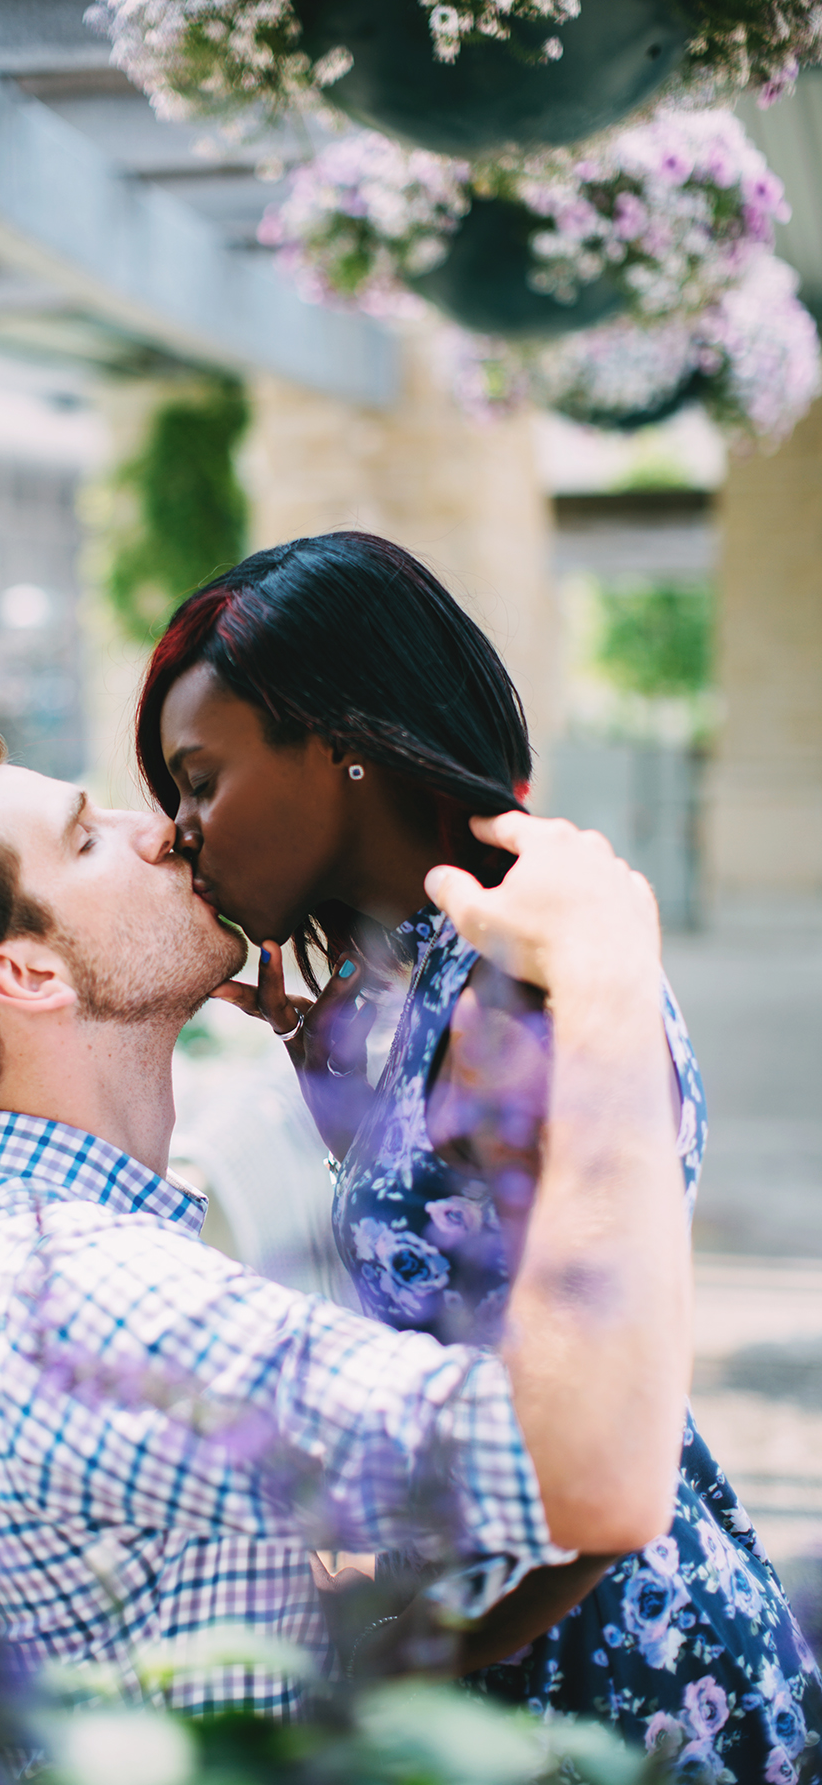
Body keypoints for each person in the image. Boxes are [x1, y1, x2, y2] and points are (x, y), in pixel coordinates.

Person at [0, 712, 692, 1717]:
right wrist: (609, 989)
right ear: (26, 975)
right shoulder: (88, 1304)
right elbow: (587, 1471)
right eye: (87, 837)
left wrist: (372, 1128)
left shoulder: (21, 1253)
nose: (159, 829)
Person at [139, 530, 822, 1775]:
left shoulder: (531, 972)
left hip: (616, 1676)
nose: (181, 829)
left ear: (339, 743)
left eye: (199, 779)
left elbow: (592, 1458)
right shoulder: (422, 979)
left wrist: (405, 1658)